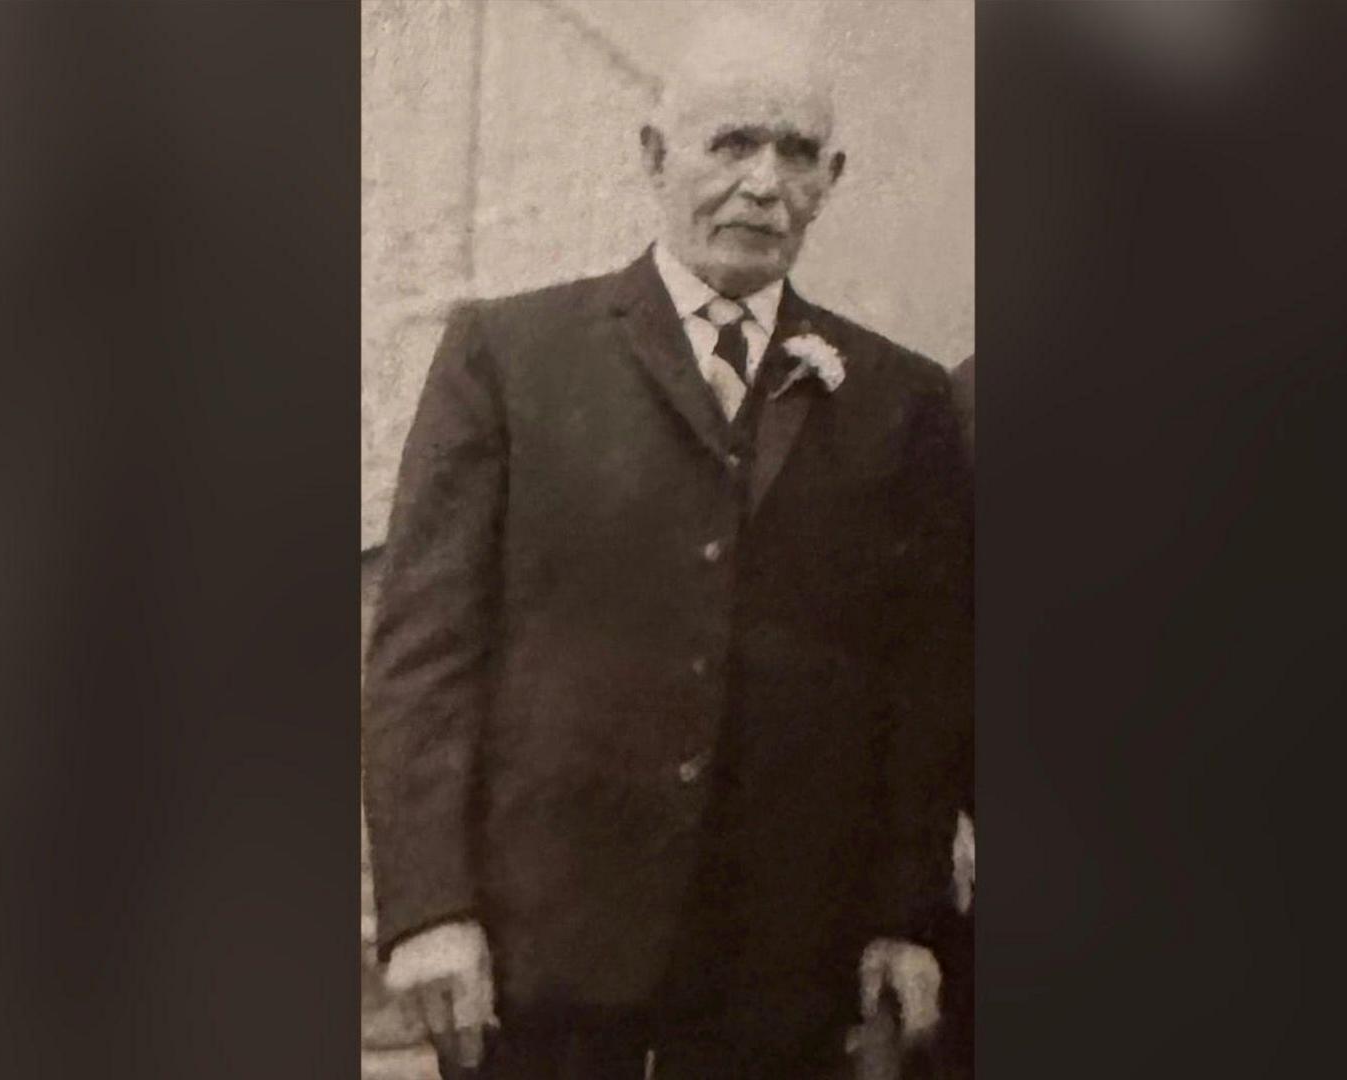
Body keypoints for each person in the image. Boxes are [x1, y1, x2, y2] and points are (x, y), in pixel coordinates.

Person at [362, 15, 973, 1080]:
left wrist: (905, 917)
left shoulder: (900, 399)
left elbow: (920, 685)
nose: (762, 183)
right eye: (731, 143)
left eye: (795, 154)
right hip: (542, 953)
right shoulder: (510, 357)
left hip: (782, 971)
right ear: (655, 155)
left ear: (833, 177)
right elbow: (424, 656)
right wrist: (429, 907)